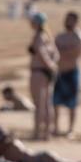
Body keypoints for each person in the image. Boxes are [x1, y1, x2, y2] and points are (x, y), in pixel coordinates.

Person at [52, 11, 81, 136]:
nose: (67, 22)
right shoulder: (60, 36)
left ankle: (70, 129)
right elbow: (53, 52)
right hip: (59, 73)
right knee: (55, 102)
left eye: (70, 20)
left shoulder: (79, 37)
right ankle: (55, 127)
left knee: (72, 103)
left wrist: (63, 50)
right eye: (66, 19)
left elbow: (76, 52)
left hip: (72, 72)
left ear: (75, 21)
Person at [26, 13, 59, 141]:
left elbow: (41, 53)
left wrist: (49, 66)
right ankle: (46, 133)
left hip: (39, 72)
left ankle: (37, 132)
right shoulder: (48, 37)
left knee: (39, 104)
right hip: (46, 73)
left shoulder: (38, 37)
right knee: (46, 103)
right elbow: (55, 54)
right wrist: (52, 66)